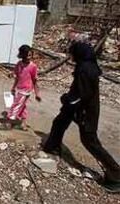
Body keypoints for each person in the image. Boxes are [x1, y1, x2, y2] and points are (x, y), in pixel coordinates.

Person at [43, 42, 120, 193]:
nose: (70, 56)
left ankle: (116, 175)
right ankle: (52, 147)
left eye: (71, 53)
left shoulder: (85, 70)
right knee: (59, 122)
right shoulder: (86, 65)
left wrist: (66, 99)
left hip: (85, 111)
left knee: (90, 141)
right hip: (79, 106)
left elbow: (81, 95)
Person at [0, 45, 41, 131]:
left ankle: (8, 123)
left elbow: (34, 80)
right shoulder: (19, 64)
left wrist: (37, 93)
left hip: (26, 90)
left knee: (16, 105)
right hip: (19, 89)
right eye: (28, 55)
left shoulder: (33, 66)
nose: (30, 57)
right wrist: (13, 87)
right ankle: (23, 124)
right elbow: (17, 77)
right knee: (23, 106)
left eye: (30, 55)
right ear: (22, 55)